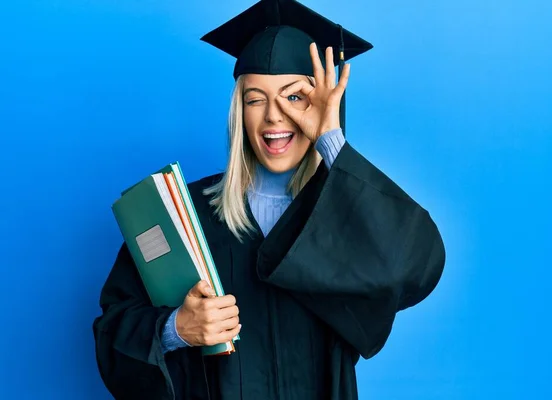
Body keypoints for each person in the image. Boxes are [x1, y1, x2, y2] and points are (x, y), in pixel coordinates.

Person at [92, 0, 446, 399]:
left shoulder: (342, 212)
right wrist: (176, 329)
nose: (274, 116)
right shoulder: (184, 214)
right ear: (239, 112)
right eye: (255, 98)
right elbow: (113, 330)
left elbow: (415, 265)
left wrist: (331, 141)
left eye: (294, 97)